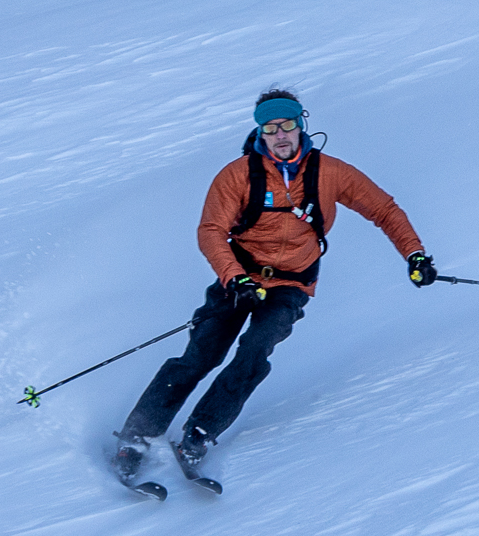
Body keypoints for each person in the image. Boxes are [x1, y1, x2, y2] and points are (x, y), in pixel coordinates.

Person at [112, 88, 435, 492]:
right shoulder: (238, 175)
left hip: (291, 283)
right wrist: (236, 278)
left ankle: (197, 435)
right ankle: (134, 439)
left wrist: (415, 255)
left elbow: (384, 209)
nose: (280, 135)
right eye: (270, 128)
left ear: (301, 126)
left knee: (254, 352)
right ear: (260, 133)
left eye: (287, 125)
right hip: (240, 278)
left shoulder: (330, 173)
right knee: (201, 354)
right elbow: (211, 231)